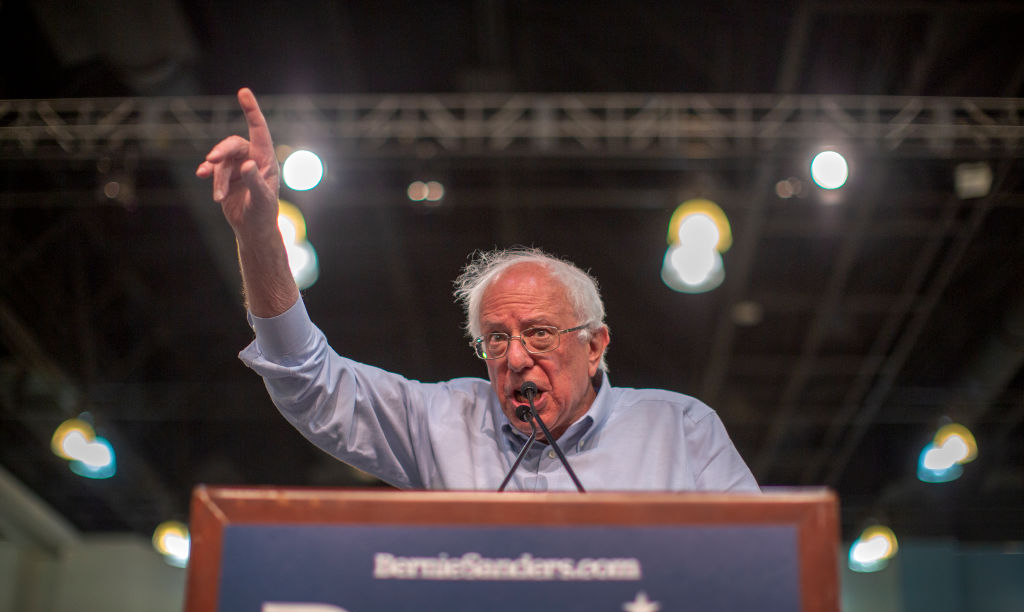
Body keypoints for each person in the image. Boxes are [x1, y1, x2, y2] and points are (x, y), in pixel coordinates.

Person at [197, 88, 758, 493]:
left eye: (538, 334)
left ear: (594, 346)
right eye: (495, 340)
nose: (514, 359)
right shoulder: (440, 424)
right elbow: (307, 381)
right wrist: (258, 236)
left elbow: (756, 564)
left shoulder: (681, 431)